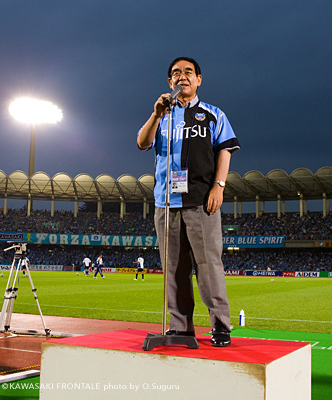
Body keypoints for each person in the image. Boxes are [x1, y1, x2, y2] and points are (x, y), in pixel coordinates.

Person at [137, 57, 240, 347]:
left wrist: (218, 187)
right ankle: (181, 327)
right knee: (174, 268)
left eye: (188, 73)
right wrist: (156, 114)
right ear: (170, 82)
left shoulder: (213, 114)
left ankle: (220, 326)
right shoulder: (162, 114)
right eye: (175, 74)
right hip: (166, 203)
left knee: (208, 266)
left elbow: (226, 151)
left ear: (198, 80)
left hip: (201, 202)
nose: (182, 77)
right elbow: (143, 143)